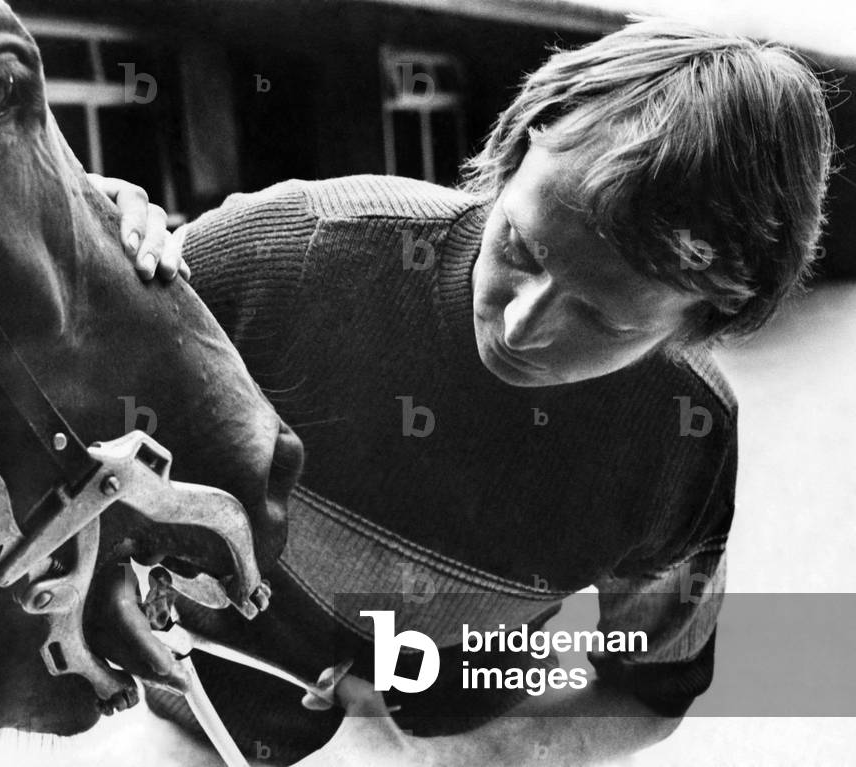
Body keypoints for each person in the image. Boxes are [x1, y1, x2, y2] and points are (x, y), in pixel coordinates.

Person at [92, 17, 834, 766]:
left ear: (706, 320)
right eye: (517, 244)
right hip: (194, 729)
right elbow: (42, 387)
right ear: (513, 154)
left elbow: (649, 691)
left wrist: (450, 760)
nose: (519, 324)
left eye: (601, 316)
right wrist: (66, 248)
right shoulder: (290, 249)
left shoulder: (685, 436)